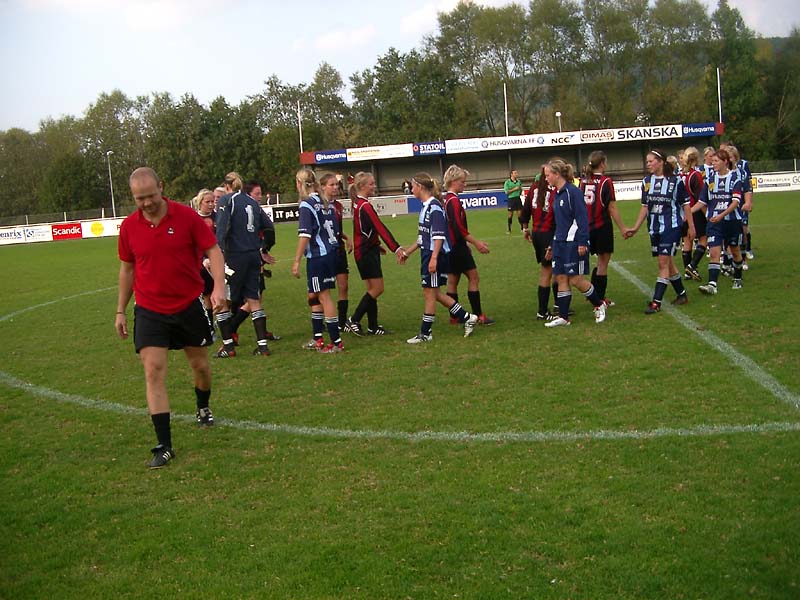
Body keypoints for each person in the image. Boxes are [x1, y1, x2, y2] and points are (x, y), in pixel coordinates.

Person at [116, 167, 225, 469]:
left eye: (151, 196)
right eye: (140, 198)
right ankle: (164, 445)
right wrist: (120, 310)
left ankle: (202, 407)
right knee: (153, 371)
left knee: (200, 366)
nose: (147, 203)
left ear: (161, 187)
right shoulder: (129, 227)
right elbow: (127, 269)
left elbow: (213, 250)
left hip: (188, 305)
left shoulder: (186, 217)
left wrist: (218, 286)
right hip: (149, 310)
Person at [398, 172, 479, 343]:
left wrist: (434, 258)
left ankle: (425, 333)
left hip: (434, 255)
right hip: (428, 254)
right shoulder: (426, 206)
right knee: (434, 293)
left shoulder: (434, 207)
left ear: (420, 187)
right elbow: (423, 237)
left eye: (412, 186)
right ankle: (467, 317)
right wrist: (407, 252)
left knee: (430, 293)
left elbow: (439, 236)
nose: (411, 189)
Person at [213, 172, 275, 357]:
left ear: (227, 186)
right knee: (253, 299)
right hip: (253, 256)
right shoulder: (252, 202)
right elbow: (269, 226)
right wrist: (263, 248)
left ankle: (228, 347)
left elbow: (221, 229)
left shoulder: (226, 200)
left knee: (222, 300)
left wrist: (218, 254)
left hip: (235, 257)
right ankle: (262, 347)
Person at [624, 149, 694, 314]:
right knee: (668, 262)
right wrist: (636, 227)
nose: (648, 164)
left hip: (671, 227)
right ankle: (682, 294)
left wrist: (691, 227)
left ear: (661, 161)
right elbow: (645, 207)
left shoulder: (675, 181)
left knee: (663, 263)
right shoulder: (647, 181)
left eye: (651, 161)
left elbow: (686, 205)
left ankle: (656, 302)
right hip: (654, 228)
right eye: (647, 161)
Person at [543, 159, 607, 328]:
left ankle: (599, 305)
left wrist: (582, 242)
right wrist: (552, 245)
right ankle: (564, 317)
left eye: (548, 175)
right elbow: (559, 223)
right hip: (559, 243)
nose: (546, 178)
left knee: (576, 279)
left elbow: (582, 218)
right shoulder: (557, 194)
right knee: (561, 278)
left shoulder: (573, 192)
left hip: (573, 243)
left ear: (557, 174)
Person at [344, 171, 405, 336]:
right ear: (362, 186)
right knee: (377, 288)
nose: (374, 186)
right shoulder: (364, 206)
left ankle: (373, 326)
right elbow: (380, 227)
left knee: (372, 289)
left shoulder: (358, 203)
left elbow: (363, 231)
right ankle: (354, 319)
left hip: (365, 251)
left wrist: (376, 245)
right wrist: (396, 248)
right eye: (371, 184)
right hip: (365, 253)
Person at [292, 169, 344, 353]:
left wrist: (296, 261)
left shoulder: (307, 204)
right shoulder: (324, 202)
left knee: (324, 296)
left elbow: (305, 235)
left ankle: (336, 342)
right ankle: (318, 338)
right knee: (315, 295)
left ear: (300, 183)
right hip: (330, 253)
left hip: (318, 256)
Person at [225, 179, 280, 346]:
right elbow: (268, 230)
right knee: (248, 297)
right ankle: (231, 328)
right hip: (245, 257)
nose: (260, 197)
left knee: (252, 297)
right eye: (257, 193)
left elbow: (268, 232)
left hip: (251, 256)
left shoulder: (252, 209)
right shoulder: (241, 208)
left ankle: (235, 330)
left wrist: (264, 249)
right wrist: (262, 250)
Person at [441, 164, 495, 326]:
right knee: (473, 277)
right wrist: (477, 243)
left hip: (451, 246)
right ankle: (478, 315)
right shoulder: (453, 201)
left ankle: (454, 317)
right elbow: (459, 228)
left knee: (453, 281)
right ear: (454, 181)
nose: (465, 184)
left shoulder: (447, 200)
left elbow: (452, 227)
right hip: (457, 247)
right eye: (462, 181)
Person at [579, 151, 627, 307]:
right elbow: (612, 207)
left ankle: (593, 294)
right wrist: (622, 228)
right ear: (602, 164)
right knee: (603, 263)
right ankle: (599, 299)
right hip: (602, 226)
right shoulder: (606, 181)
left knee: (598, 262)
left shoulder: (583, 181)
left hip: (586, 227)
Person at [695, 148, 745, 295]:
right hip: (714, 222)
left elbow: (735, 202)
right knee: (714, 252)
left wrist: (721, 215)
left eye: (716, 161)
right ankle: (712, 285)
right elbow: (702, 201)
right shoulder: (710, 180)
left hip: (731, 221)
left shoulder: (735, 179)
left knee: (735, 251)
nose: (713, 163)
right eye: (712, 161)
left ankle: (738, 278)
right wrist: (688, 212)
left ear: (725, 162)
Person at [521, 167, 557, 321]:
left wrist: (525, 228)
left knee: (551, 269)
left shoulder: (534, 187)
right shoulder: (555, 189)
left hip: (537, 232)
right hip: (549, 233)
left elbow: (525, 210)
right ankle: (543, 311)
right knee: (549, 271)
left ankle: (557, 305)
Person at [319, 173, 353, 329]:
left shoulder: (338, 206)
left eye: (336, 185)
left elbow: (335, 229)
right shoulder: (318, 205)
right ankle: (321, 321)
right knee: (322, 289)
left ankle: (341, 322)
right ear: (323, 187)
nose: (335, 187)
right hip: (324, 253)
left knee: (343, 286)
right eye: (331, 185)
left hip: (339, 251)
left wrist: (346, 237)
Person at [680, 147, 709, 281]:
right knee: (703, 239)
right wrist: (707, 214)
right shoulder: (695, 175)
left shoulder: (681, 175)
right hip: (694, 211)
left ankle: (687, 272)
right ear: (696, 159)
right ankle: (692, 266)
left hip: (683, 212)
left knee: (687, 241)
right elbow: (700, 198)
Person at [192, 188, 217, 310]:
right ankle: (210, 321)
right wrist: (203, 259)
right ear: (200, 202)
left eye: (212, 201)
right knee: (207, 294)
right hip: (202, 263)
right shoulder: (194, 219)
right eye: (208, 202)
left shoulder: (218, 217)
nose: (211, 204)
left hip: (219, 259)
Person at [503, 169, 523, 233]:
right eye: (515, 173)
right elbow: (506, 192)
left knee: (520, 214)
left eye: (517, 173)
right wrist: (514, 189)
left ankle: (522, 228)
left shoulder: (519, 181)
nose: (516, 174)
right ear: (511, 174)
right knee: (510, 215)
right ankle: (509, 229)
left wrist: (519, 192)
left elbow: (520, 190)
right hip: (511, 199)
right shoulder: (507, 182)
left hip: (518, 199)